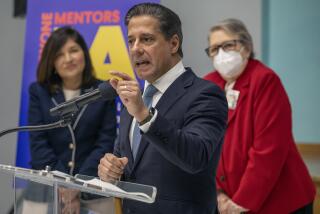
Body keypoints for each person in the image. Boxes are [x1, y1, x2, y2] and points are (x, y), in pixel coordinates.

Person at [97, 3, 228, 214]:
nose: (136, 48)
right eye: (131, 41)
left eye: (146, 39)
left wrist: (143, 115)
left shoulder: (205, 94)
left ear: (173, 43)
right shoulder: (135, 99)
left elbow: (196, 157)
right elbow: (129, 163)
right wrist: (110, 170)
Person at [204, 18, 316, 214]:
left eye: (228, 45)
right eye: (214, 49)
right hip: (224, 200)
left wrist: (239, 205)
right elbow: (202, 143)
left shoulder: (264, 81)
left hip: (278, 201)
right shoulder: (208, 84)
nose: (221, 54)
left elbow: (268, 150)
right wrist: (216, 193)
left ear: (246, 47)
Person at [25, 26, 117, 213]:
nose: (68, 59)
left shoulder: (103, 91)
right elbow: (38, 143)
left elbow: (105, 143)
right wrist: (63, 185)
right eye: (59, 54)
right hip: (45, 189)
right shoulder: (39, 91)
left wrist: (77, 186)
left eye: (73, 50)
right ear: (51, 62)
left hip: (93, 189)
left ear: (84, 52)